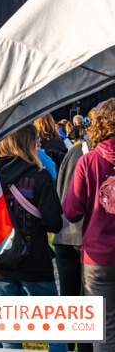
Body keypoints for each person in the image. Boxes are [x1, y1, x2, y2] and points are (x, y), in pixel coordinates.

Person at [0, 125, 65, 352]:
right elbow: (54, 223)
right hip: (35, 260)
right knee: (54, 327)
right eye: (36, 140)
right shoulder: (39, 175)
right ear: (27, 143)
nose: (39, 144)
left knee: (10, 331)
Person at [63, 99, 115, 352]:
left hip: (98, 255)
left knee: (104, 328)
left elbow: (72, 212)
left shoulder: (88, 161)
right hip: (98, 255)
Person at [55, 110, 95, 352]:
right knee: (85, 301)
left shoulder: (72, 152)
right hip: (85, 235)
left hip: (64, 234)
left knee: (69, 299)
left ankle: (68, 346)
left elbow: (60, 188)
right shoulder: (96, 157)